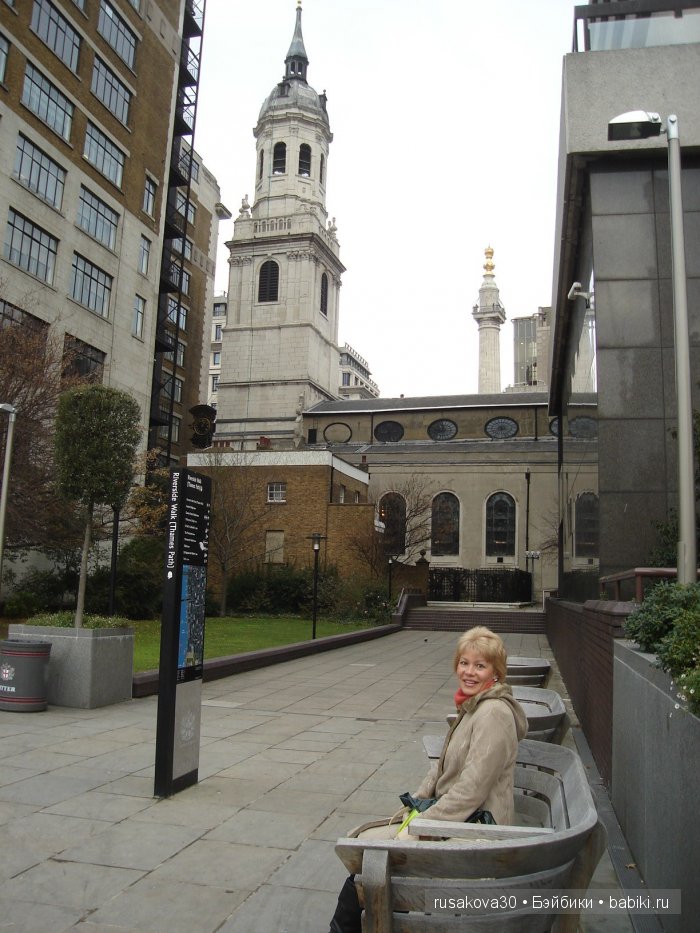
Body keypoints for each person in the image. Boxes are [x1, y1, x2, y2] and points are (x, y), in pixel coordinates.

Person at [328, 626, 528, 933]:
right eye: (464, 662)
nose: (469, 672)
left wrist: (424, 823)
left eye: (480, 665)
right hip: (454, 819)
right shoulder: (472, 706)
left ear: (496, 672)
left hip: (479, 830)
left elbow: (472, 790)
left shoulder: (492, 714)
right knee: (365, 852)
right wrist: (417, 804)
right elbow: (442, 767)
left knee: (371, 857)